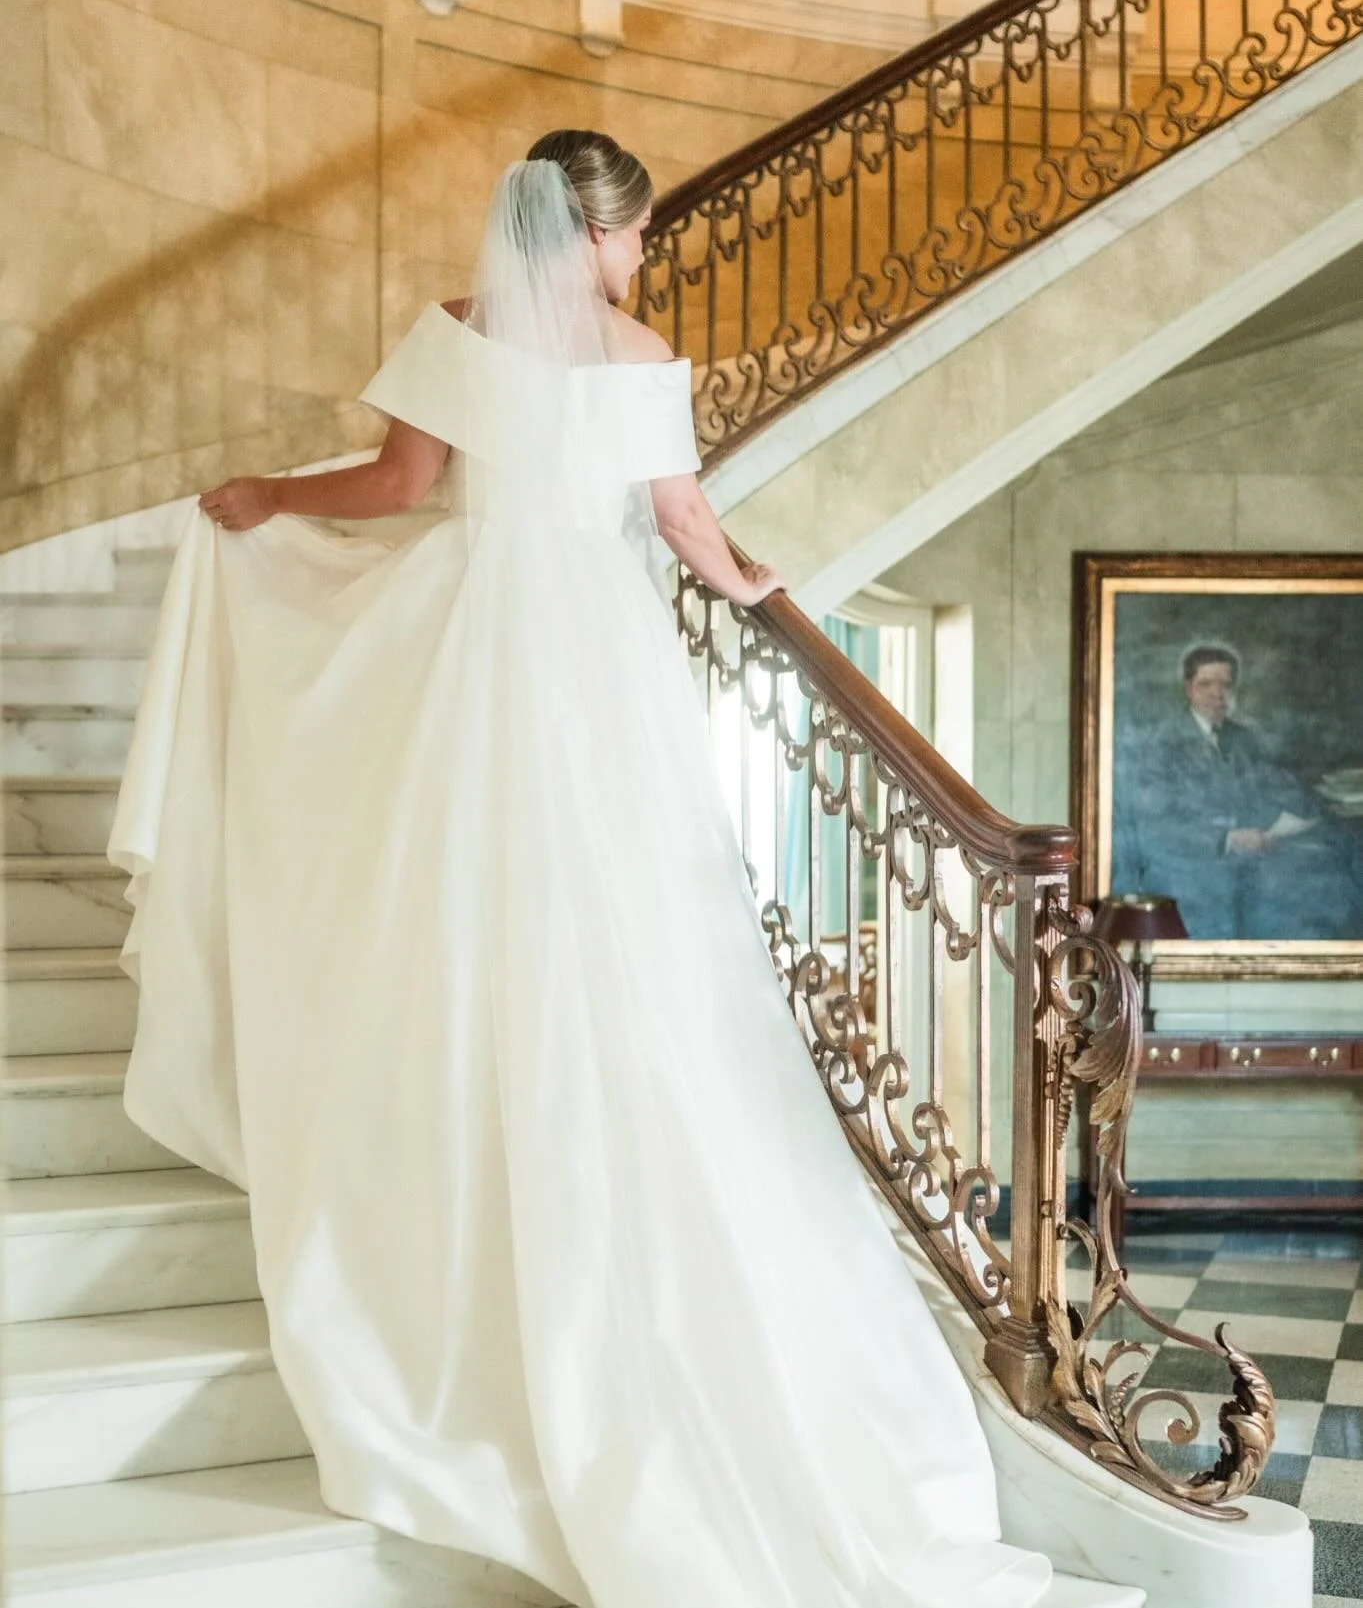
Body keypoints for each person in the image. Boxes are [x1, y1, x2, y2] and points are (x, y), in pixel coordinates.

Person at [110, 131, 1052, 1608]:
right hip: (602, 660)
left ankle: (460, 1182)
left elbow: (395, 483)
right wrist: (749, 582)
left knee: (455, 913)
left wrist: (271, 498)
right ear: (599, 232)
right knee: (627, 931)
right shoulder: (641, 353)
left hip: (472, 636)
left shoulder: (457, 331)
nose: (641, 256)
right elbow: (680, 522)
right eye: (638, 234)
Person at [1116, 643, 1358, 939]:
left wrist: (1307, 807)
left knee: (1330, 868)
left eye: (1226, 685)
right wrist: (1227, 838)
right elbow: (1158, 823)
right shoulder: (1163, 743)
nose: (1218, 694)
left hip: (1254, 853)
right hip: (1192, 862)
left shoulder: (1242, 738)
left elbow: (1275, 784)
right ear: (1189, 688)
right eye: (1206, 684)